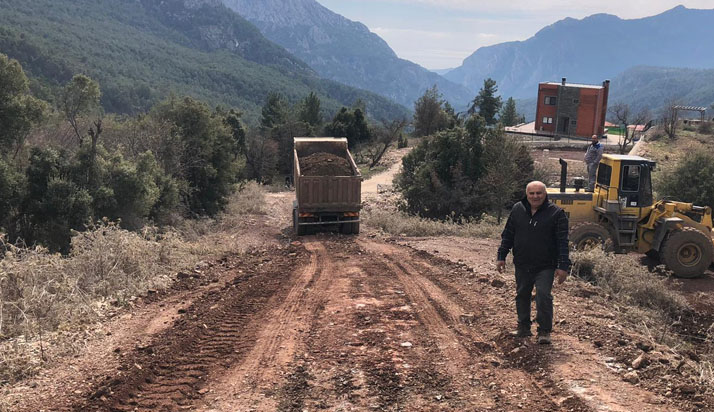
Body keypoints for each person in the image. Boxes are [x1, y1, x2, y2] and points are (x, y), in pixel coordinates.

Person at [496, 181, 570, 344]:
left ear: (545, 194)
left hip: (546, 265)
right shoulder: (517, 210)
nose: (535, 196)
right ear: (527, 194)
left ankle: (544, 331)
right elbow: (508, 234)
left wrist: (563, 266)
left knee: (543, 295)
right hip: (522, 263)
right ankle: (523, 327)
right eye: (532, 193)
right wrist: (501, 256)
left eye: (539, 193)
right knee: (522, 294)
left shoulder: (556, 214)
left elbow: (562, 242)